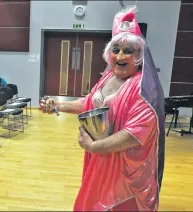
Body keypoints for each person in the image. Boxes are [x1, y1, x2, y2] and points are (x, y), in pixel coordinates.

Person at [40, 6, 165, 211]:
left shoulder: (143, 89)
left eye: (128, 51)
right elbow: (89, 102)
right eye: (116, 50)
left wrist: (93, 147)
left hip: (125, 175)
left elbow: (133, 135)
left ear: (139, 55)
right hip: (101, 162)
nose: (120, 56)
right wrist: (58, 105)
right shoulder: (109, 76)